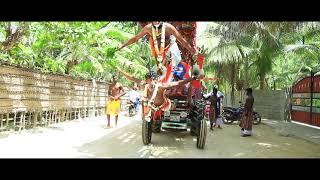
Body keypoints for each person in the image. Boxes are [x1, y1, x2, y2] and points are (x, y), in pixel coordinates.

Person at [117, 22, 198, 78]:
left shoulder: (169, 27)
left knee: (177, 61)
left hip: (169, 49)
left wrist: (192, 50)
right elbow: (135, 38)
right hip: (155, 52)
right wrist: (122, 45)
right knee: (157, 71)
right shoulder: (148, 28)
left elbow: (181, 40)